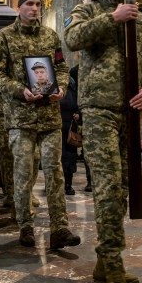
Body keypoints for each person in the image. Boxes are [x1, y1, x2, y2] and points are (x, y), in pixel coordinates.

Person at [64, 0, 142, 283]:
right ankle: (113, 263)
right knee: (107, 186)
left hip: (131, 111)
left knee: (121, 187)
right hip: (99, 109)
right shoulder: (88, 9)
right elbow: (73, 38)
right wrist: (112, 18)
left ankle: (105, 261)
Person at [0, 0, 80, 249]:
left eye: (38, 4)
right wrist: (21, 91)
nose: (34, 8)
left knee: (55, 172)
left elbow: (61, 67)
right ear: (19, 7)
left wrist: (61, 87)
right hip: (21, 118)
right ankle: (25, 226)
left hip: (50, 116)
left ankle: (59, 228)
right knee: (23, 173)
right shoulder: (2, 38)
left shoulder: (50, 36)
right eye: (29, 3)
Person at [60, 65, 81, 195]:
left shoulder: (74, 88)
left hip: (70, 128)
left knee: (70, 158)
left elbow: (79, 105)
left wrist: (79, 114)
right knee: (58, 158)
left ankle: (68, 184)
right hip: (57, 127)